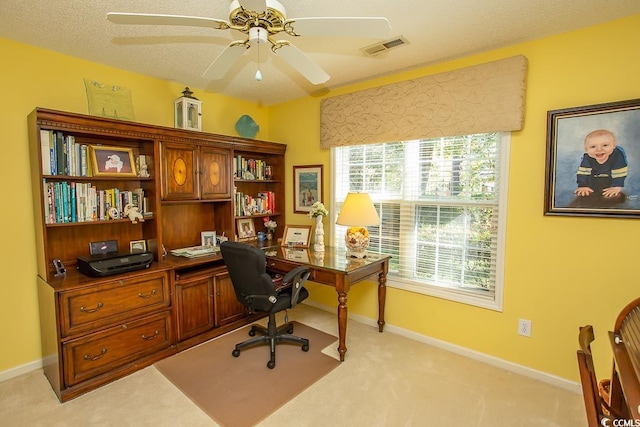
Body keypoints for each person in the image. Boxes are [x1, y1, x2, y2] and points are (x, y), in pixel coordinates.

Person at [571, 129, 627, 207]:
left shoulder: (617, 156)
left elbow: (619, 172)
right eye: (593, 146)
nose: (599, 149)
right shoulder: (587, 158)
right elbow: (583, 172)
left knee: (615, 198)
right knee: (583, 199)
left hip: (610, 182)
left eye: (605, 145)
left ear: (614, 146)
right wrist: (582, 185)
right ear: (586, 149)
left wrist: (616, 186)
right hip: (593, 182)